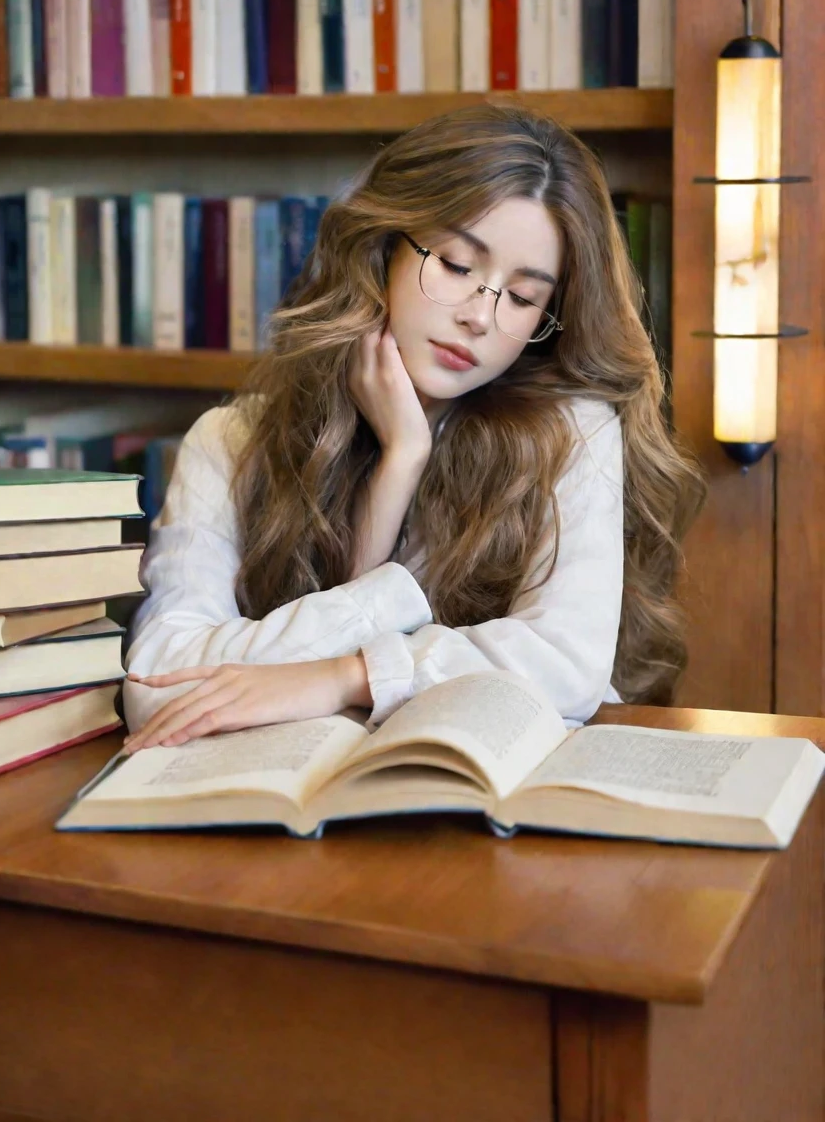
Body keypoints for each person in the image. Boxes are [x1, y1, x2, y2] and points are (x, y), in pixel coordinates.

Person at [122, 104, 705, 754]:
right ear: (382, 246)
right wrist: (399, 463)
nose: (481, 317)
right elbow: (156, 683)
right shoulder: (229, 441)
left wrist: (346, 676)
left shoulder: (571, 432)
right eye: (457, 266)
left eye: (521, 297)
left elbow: (565, 663)